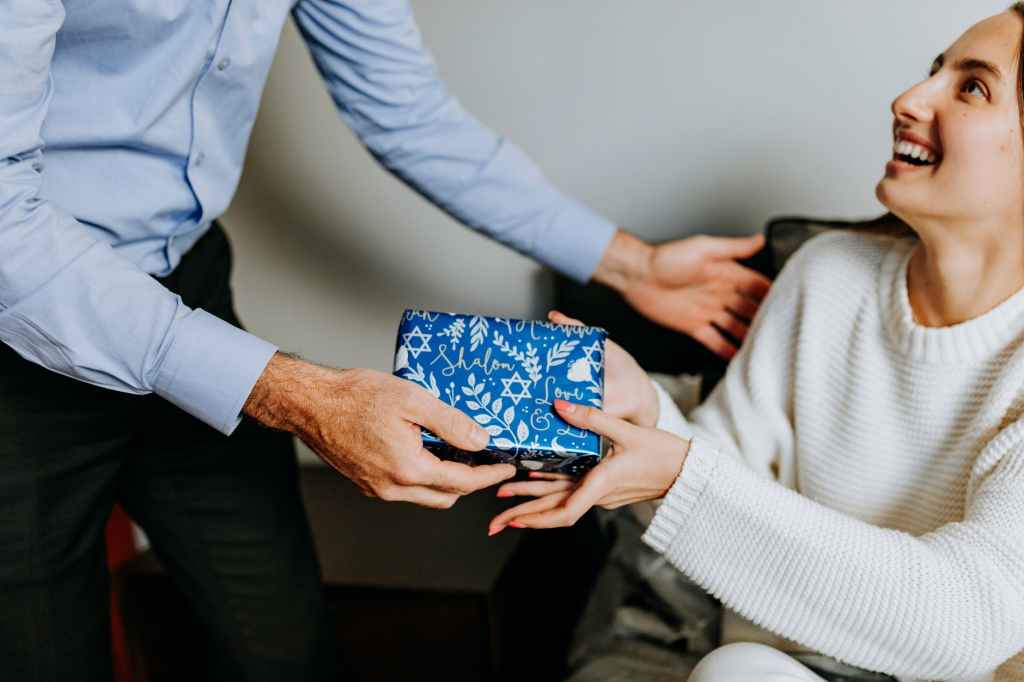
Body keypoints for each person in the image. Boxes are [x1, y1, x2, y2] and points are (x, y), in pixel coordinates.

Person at [0, 0, 771, 679]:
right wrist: (296, 393)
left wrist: (629, 265)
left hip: (189, 286)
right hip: (18, 338)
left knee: (283, 644)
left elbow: (407, 112)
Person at [491, 6, 1024, 680]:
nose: (908, 100)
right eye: (932, 72)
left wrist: (681, 473)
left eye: (972, 86)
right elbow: (720, 478)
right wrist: (647, 415)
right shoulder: (827, 275)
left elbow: (966, 623)